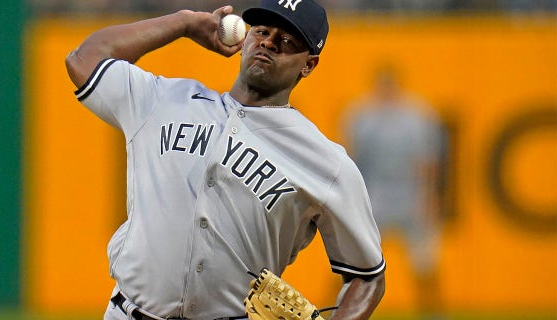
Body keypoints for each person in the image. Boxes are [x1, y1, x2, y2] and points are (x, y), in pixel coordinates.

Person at [65, 1, 386, 319]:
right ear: (245, 37)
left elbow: (368, 275)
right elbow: (84, 59)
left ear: (308, 65)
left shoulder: (326, 162)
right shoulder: (164, 100)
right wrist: (184, 23)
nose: (269, 43)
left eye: (287, 41)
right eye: (261, 30)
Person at [341, 64, 444, 319]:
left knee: (425, 262)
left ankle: (433, 314)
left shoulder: (416, 116)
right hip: (375, 197)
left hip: (410, 196)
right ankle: (338, 310)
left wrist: (429, 197)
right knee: (353, 260)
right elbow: (351, 162)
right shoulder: (361, 116)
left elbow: (427, 162)